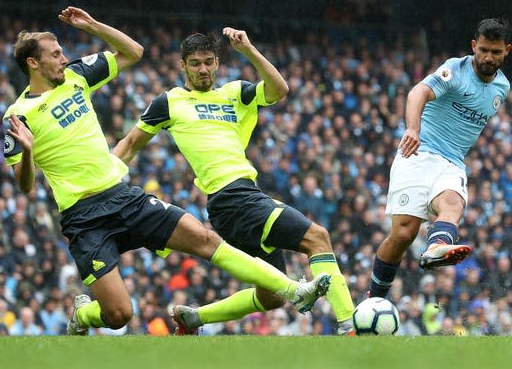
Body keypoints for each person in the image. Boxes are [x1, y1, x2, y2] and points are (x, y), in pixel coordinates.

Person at [3, 6, 330, 336]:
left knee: (203, 238)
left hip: (122, 196)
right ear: (33, 62)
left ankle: (292, 290)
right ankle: (84, 315)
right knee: (118, 314)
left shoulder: (76, 77)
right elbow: (24, 185)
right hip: (83, 216)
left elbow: (133, 52)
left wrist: (92, 25)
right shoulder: (18, 116)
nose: (63, 58)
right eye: (56, 54)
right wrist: (28, 153)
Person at [113, 29, 356, 335]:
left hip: (240, 198)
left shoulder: (234, 93)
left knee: (272, 298)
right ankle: (349, 326)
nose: (203, 69)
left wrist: (249, 50)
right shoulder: (169, 102)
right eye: (196, 63)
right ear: (183, 66)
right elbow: (132, 142)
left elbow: (279, 90)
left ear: (217, 63)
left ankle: (194, 318)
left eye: (209, 62)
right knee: (317, 237)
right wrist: (104, 179)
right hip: (232, 197)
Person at [368, 18, 512, 298]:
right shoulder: (455, 70)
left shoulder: (502, 88)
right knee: (402, 235)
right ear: (474, 46)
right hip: (419, 152)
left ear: (507, 51)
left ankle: (436, 247)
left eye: (496, 52)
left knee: (453, 203)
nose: (488, 57)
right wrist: (413, 128)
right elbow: (417, 92)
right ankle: (373, 302)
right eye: (483, 50)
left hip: (452, 162)